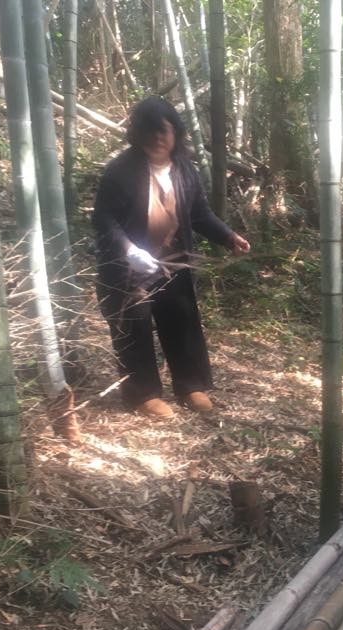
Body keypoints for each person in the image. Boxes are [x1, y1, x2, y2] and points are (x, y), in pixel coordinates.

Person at [93, 96, 250, 419]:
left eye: (163, 130)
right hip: (128, 267)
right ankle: (143, 394)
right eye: (149, 130)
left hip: (173, 259)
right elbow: (104, 219)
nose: (156, 138)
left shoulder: (184, 169)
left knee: (181, 320)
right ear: (137, 134)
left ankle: (190, 386)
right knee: (133, 326)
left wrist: (227, 236)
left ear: (175, 133)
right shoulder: (121, 170)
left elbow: (199, 213)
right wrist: (129, 250)